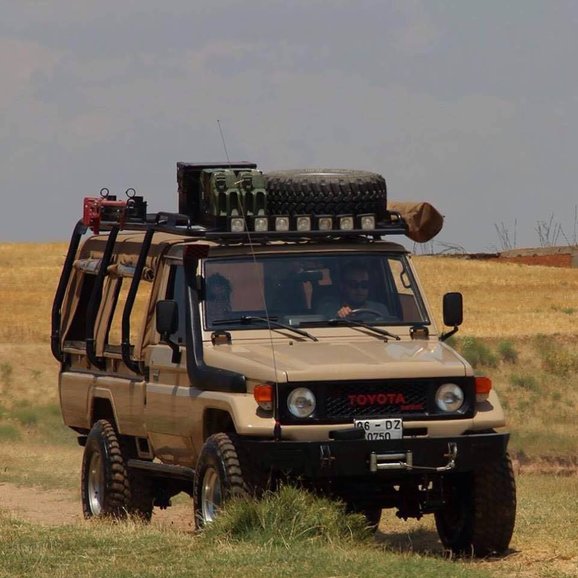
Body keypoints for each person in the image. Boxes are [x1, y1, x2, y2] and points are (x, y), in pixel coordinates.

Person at [318, 262, 389, 319]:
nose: (359, 289)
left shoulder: (380, 309)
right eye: (353, 284)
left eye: (364, 284)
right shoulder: (328, 310)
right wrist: (337, 319)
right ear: (342, 286)